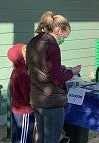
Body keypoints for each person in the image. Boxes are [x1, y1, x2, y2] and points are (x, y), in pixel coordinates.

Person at [25, 11, 81, 143]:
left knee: (41, 137)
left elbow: (38, 67)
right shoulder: (52, 46)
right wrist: (71, 72)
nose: (62, 40)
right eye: (64, 37)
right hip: (51, 101)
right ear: (58, 30)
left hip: (37, 99)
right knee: (51, 139)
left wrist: (61, 68)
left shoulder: (33, 41)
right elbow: (56, 79)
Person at [7, 43, 35, 143]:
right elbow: (29, 95)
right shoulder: (23, 74)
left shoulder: (15, 71)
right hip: (25, 111)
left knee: (17, 138)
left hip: (16, 110)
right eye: (27, 55)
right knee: (24, 139)